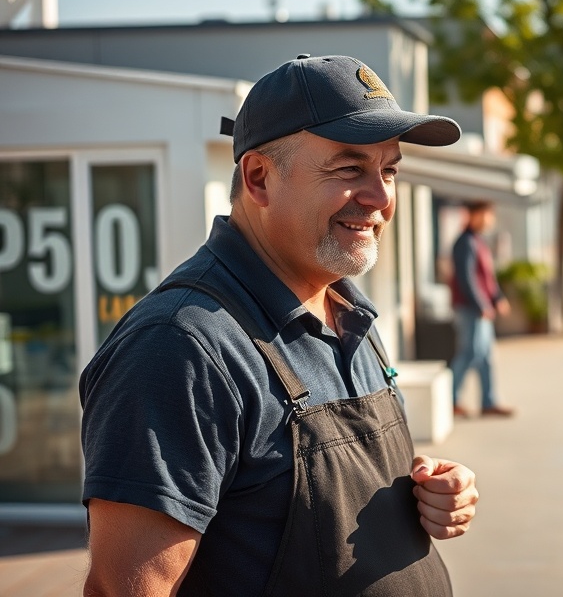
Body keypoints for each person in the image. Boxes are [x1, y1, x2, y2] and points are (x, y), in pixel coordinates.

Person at [80, 55, 479, 596]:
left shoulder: (348, 311)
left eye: (389, 170)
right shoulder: (179, 347)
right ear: (259, 178)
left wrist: (428, 491)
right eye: (349, 169)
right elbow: (124, 589)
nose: (382, 197)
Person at [449, 200, 515, 418]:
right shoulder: (465, 242)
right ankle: (450, 399)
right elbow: (466, 278)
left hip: (480, 308)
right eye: (488, 215)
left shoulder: (478, 241)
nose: (490, 220)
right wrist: (481, 305)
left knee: (485, 356)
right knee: (470, 353)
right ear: (475, 215)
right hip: (470, 309)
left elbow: (487, 277)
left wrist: (497, 298)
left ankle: (489, 401)